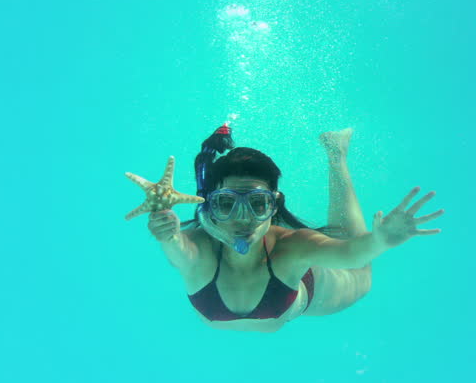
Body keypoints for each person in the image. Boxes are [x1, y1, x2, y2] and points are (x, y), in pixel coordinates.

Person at [147, 124, 445, 332]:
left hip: (310, 293)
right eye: (226, 203)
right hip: (275, 306)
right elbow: (178, 248)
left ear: (274, 206)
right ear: (210, 205)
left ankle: (336, 154)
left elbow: (352, 255)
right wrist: (167, 233)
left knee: (360, 270)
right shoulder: (198, 247)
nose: (243, 218)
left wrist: (381, 241)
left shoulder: (290, 248)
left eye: (258, 204)